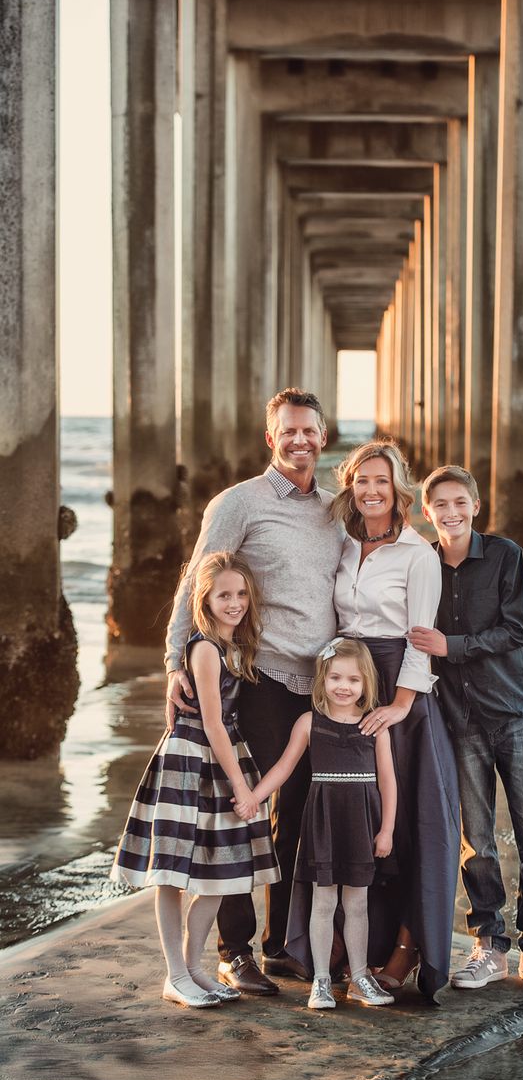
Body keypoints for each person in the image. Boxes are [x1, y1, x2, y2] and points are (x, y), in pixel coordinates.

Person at [164, 388, 344, 994]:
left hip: (317, 687)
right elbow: (198, 581)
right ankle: (233, 951)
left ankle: (282, 947)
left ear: (324, 436)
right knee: (242, 816)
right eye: (288, 431)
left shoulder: (334, 509)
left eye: (310, 431)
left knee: (297, 815)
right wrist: (175, 661)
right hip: (257, 679)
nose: (300, 440)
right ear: (272, 438)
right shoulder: (239, 503)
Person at [410, 465, 523, 992]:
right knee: (476, 841)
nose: (451, 513)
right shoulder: (422, 564)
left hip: (514, 714)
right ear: (427, 511)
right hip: (457, 720)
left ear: (475, 506)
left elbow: (515, 631)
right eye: (441, 504)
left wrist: (451, 646)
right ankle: (489, 946)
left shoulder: (505, 555)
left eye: (460, 502)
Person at [111, 552, 280, 1008]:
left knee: (221, 875)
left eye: (241, 593)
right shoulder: (204, 648)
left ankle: (194, 967)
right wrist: (242, 787)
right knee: (173, 873)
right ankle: (174, 974)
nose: (234, 603)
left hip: (221, 759)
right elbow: (213, 723)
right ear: (204, 599)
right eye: (224, 594)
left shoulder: (237, 646)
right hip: (190, 760)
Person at [329, 440, 461, 1002]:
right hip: (349, 691)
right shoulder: (339, 544)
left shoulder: (418, 554)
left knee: (408, 823)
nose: (372, 491)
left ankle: (407, 948)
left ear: (399, 487)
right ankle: (355, 942)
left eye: (382, 481)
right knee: (361, 817)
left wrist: (402, 705)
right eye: (362, 481)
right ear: (350, 488)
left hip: (401, 697)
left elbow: (420, 638)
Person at [240, 637, 398, 1010]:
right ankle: (322, 981)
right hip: (323, 824)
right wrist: (253, 796)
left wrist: (387, 829)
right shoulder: (309, 722)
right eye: (336, 678)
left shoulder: (374, 726)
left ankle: (360, 978)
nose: (344, 687)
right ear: (322, 678)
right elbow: (283, 767)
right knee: (324, 902)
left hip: (361, 824)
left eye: (354, 680)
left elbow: (389, 782)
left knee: (357, 903)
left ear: (366, 684)